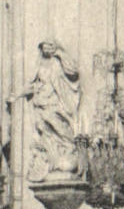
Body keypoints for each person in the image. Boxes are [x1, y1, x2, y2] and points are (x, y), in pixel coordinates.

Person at [23, 40, 82, 181]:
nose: (47, 49)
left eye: (50, 47)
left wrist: (60, 53)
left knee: (56, 124)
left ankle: (68, 147)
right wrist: (18, 95)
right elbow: (32, 84)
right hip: (41, 102)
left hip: (56, 102)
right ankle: (53, 159)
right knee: (43, 128)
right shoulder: (39, 65)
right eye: (44, 47)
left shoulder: (57, 62)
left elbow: (73, 71)